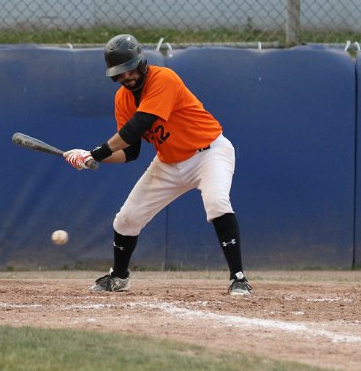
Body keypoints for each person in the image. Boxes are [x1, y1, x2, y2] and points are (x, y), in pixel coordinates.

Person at [63, 34, 252, 296]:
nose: (127, 76)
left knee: (217, 202)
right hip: (169, 163)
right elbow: (129, 152)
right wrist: (90, 158)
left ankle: (239, 278)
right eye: (120, 73)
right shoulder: (122, 99)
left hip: (209, 153)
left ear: (141, 63)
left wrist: (96, 152)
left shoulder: (163, 78)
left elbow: (137, 126)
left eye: (130, 69)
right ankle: (119, 277)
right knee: (126, 219)